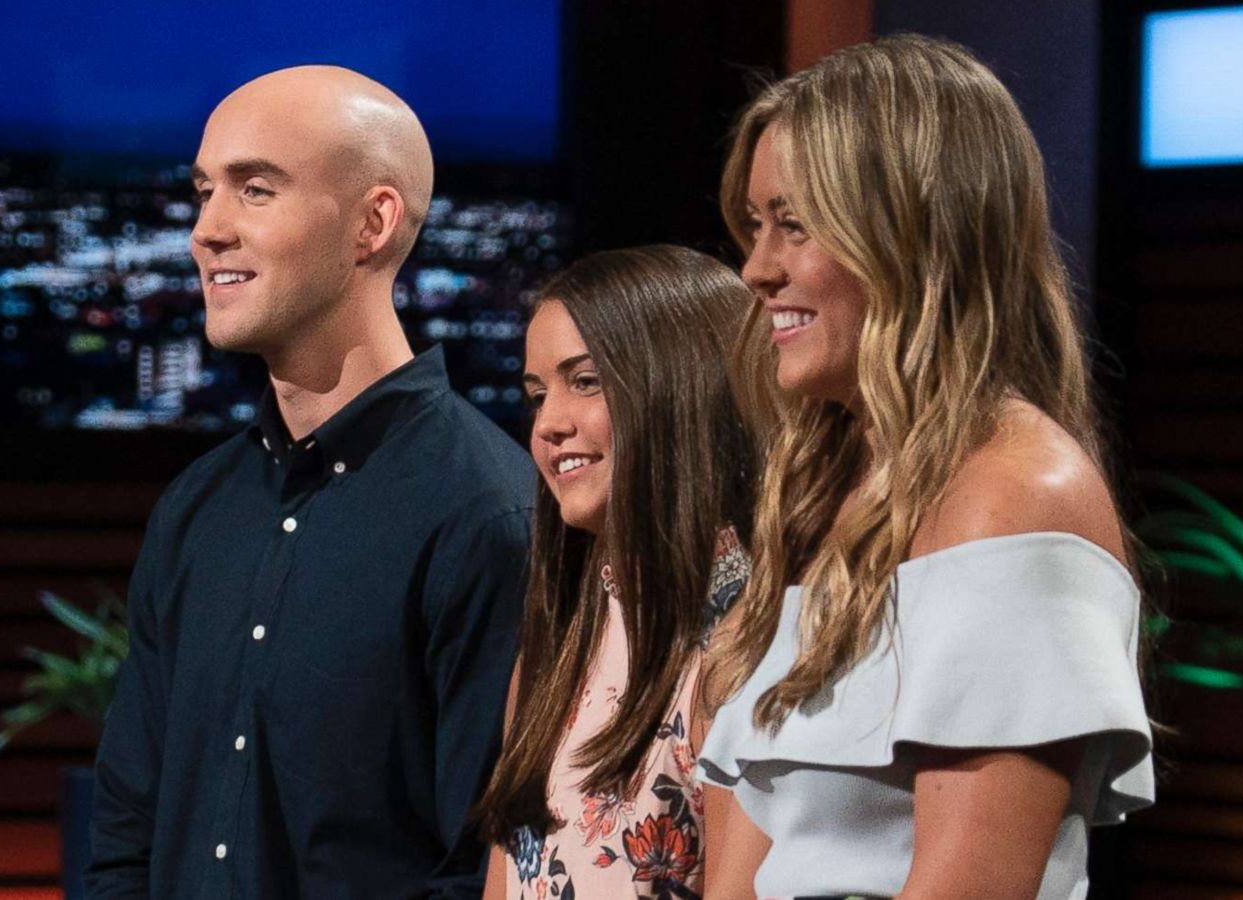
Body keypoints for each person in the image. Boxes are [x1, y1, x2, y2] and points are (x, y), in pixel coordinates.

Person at [696, 35, 1155, 900]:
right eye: (756, 226)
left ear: (910, 233)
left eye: (794, 223)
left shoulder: (1014, 497)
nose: (756, 269)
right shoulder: (822, 501)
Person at [86, 66, 534, 899]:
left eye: (255, 190)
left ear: (373, 223)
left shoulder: (485, 512)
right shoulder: (195, 508)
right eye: (203, 191)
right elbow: (124, 824)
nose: (206, 230)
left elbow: (482, 866)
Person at [471, 246, 759, 900]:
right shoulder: (555, 650)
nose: (549, 424)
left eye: (587, 381)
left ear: (684, 387)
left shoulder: (746, 646)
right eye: (538, 395)